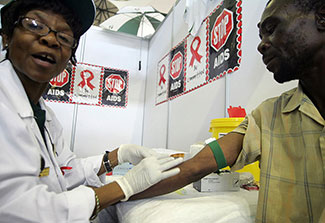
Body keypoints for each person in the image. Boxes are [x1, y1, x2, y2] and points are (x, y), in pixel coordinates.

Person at [130, 0, 325, 222]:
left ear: (322, 17)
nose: (261, 45)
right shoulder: (269, 116)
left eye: (271, 29)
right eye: (260, 36)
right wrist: (114, 193)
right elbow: (195, 167)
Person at [0, 0, 183, 222]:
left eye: (64, 37)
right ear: (7, 36)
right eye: (35, 25)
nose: (49, 39)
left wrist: (119, 154)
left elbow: (66, 171)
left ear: (70, 56)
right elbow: (18, 209)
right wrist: (125, 186)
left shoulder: (45, 116)